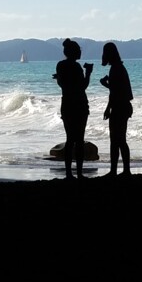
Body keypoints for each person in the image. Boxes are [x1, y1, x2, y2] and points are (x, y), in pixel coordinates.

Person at [53, 38, 93, 179]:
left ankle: (69, 173)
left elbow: (62, 84)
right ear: (74, 52)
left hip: (67, 105)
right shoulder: (76, 67)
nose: (80, 52)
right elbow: (82, 87)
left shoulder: (60, 65)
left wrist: (59, 78)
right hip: (80, 105)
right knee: (79, 140)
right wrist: (88, 73)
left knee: (70, 140)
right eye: (79, 50)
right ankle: (79, 173)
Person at [100, 42, 134, 178]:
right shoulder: (119, 67)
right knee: (120, 140)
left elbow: (114, 92)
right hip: (124, 106)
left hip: (119, 107)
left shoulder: (115, 69)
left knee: (116, 141)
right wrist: (108, 85)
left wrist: (108, 109)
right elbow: (119, 90)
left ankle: (117, 171)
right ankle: (124, 170)